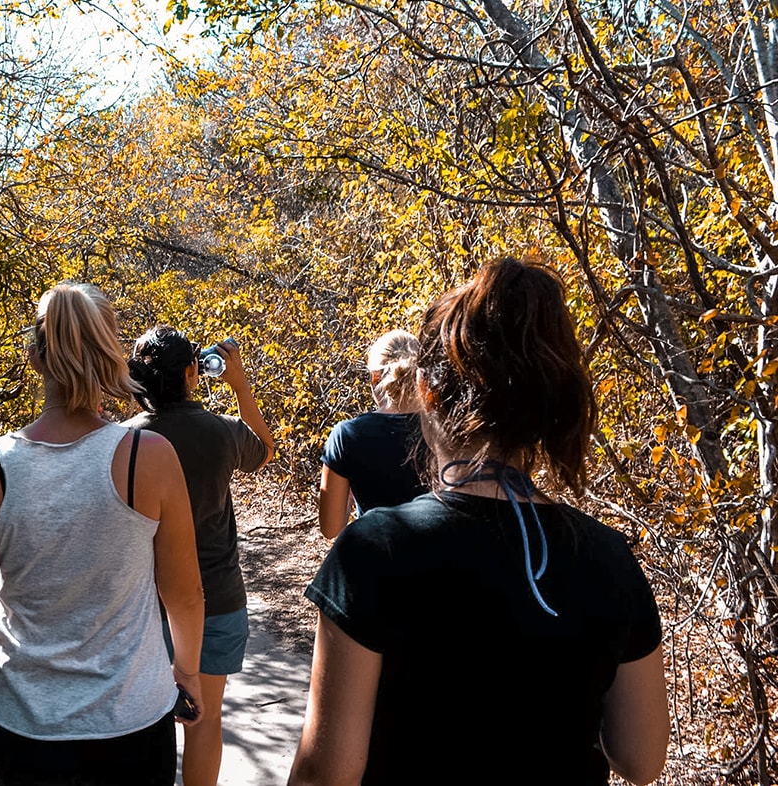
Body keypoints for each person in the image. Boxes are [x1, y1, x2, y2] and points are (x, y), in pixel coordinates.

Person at [288, 257, 669, 786]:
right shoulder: (607, 556)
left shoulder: (374, 550)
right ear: (548, 406)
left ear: (427, 392)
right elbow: (642, 760)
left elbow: (326, 774)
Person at [0, 283, 206, 786]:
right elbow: (186, 596)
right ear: (112, 357)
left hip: (25, 726)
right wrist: (186, 673)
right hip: (132, 720)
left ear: (35, 357)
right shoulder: (148, 457)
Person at [126, 327, 275, 786]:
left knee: (141, 726)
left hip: (142, 605)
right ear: (194, 371)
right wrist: (241, 386)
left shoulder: (124, 442)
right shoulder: (221, 433)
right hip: (217, 598)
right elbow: (264, 450)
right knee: (205, 720)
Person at [317, 329, 428, 539]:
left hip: (375, 563)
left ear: (374, 377)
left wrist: (347, 499)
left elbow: (331, 529)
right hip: (443, 566)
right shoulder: (444, 430)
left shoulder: (347, 435)